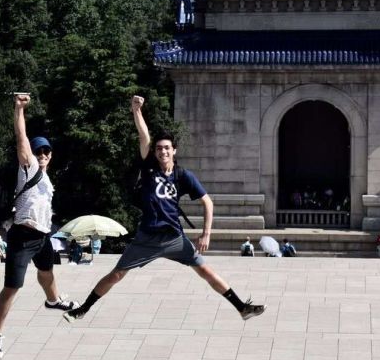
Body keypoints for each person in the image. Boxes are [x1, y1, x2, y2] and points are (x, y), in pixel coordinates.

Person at [65, 95, 265, 323]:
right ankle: (83, 309)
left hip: (174, 238)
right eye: (159, 149)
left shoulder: (183, 176)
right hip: (147, 237)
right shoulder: (149, 169)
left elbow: (207, 202)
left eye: (167, 148)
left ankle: (241, 308)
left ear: (174, 151)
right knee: (117, 274)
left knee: (205, 271)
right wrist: (136, 110)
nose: (163, 152)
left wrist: (206, 233)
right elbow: (144, 136)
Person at [0, 93, 80, 359]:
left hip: (42, 235)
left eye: (46, 151)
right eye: (38, 150)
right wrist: (19, 110)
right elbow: (21, 140)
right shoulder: (27, 168)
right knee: (12, 287)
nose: (41, 154)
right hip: (22, 235)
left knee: (47, 271)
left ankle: (53, 301)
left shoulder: (48, 180)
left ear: (51, 156)